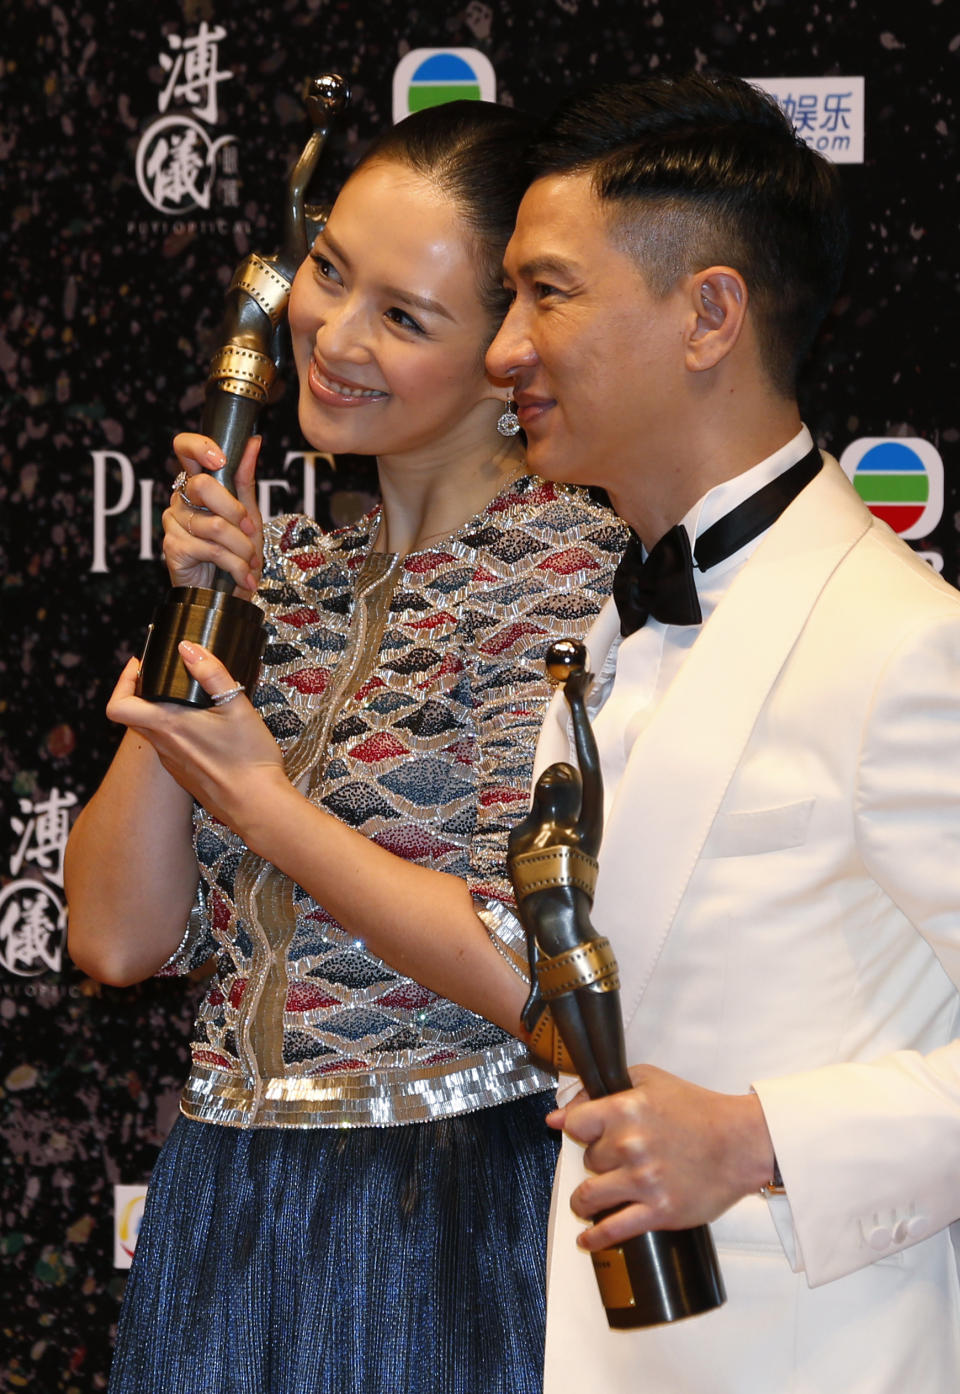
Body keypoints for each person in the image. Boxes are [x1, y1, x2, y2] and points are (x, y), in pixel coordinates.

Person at [64, 100, 626, 1394]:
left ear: (510, 352)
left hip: (440, 1214)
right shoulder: (289, 575)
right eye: (330, 275)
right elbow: (114, 935)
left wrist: (270, 805)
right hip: (219, 1210)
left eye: (404, 316)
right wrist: (202, 614)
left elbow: (541, 983)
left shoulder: (569, 582)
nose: (334, 336)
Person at [485, 72, 960, 1392]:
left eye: (548, 292)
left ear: (709, 315)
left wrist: (760, 1136)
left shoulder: (903, 641)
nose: (502, 347)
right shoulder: (604, 632)